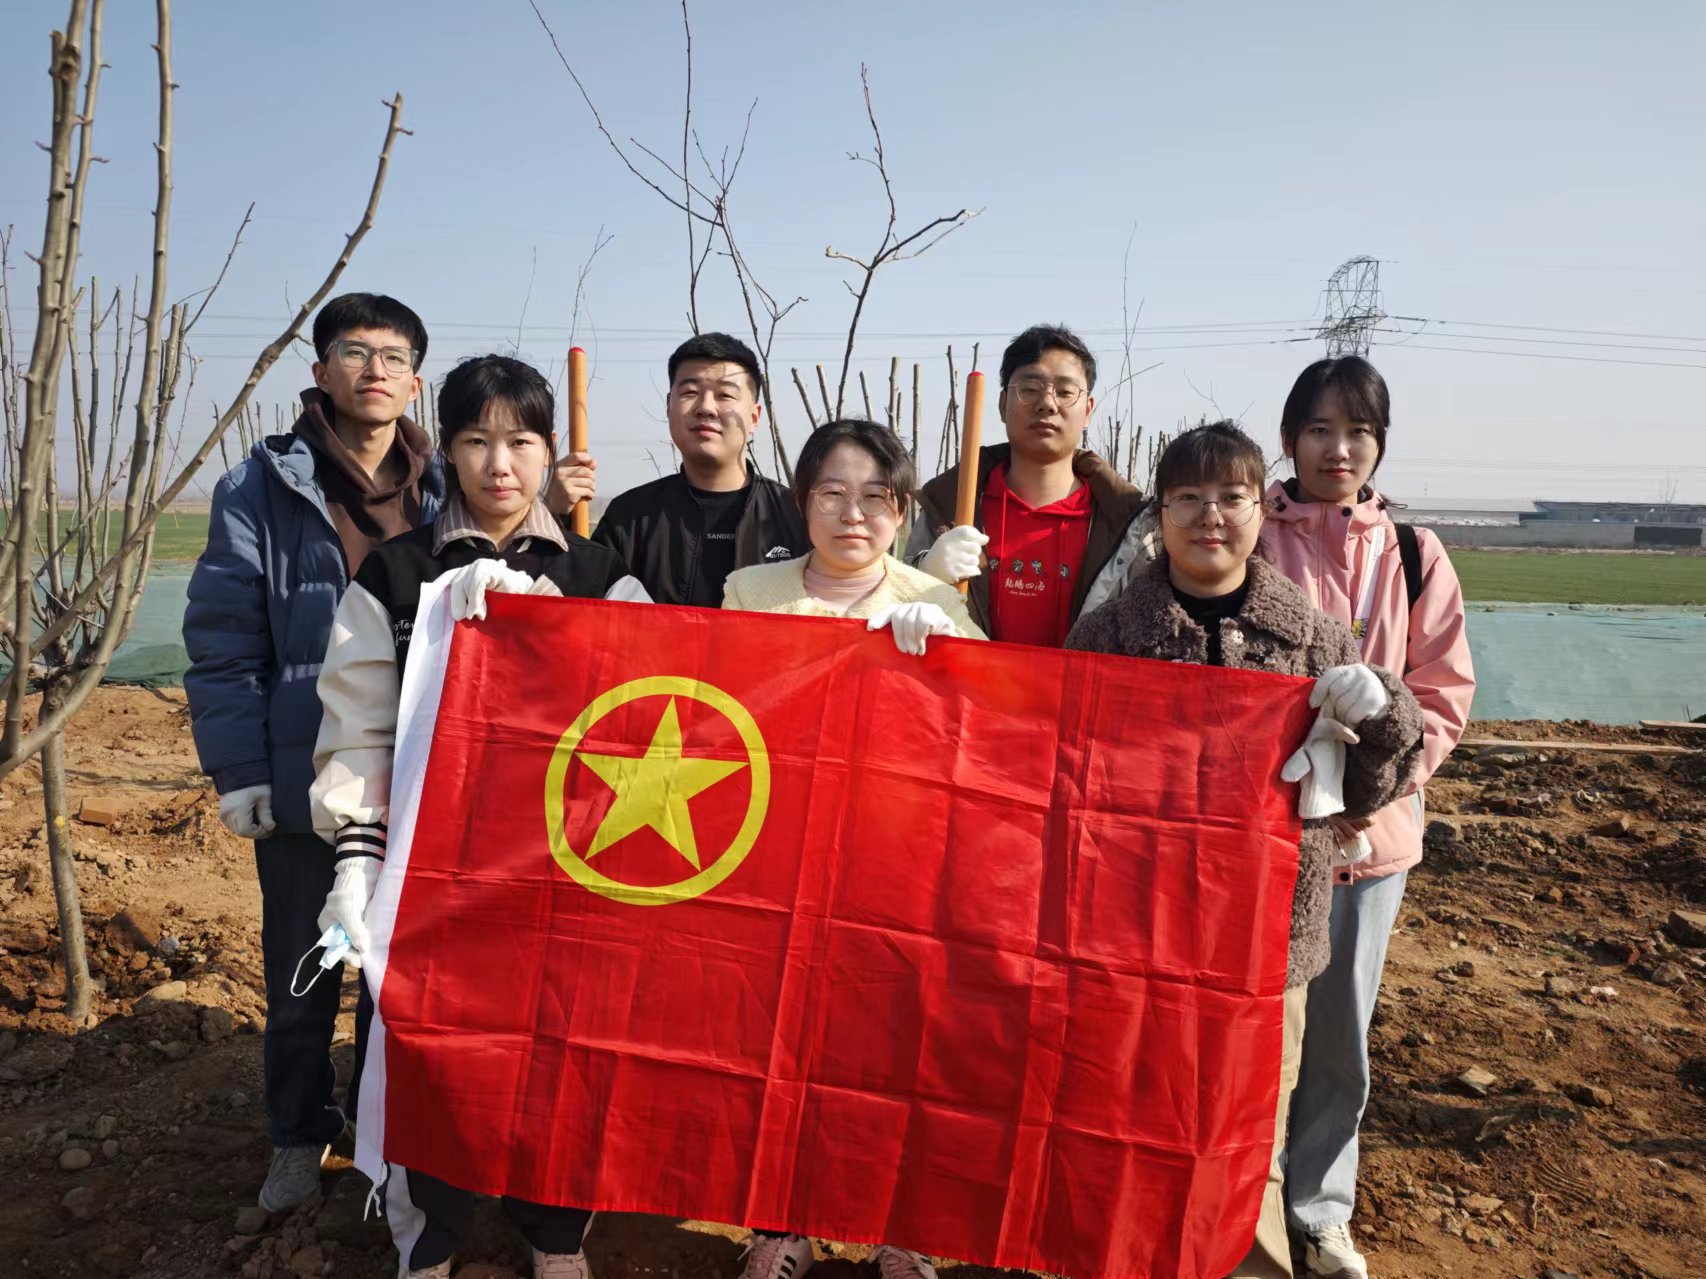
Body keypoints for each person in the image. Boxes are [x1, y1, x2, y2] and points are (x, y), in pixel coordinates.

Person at [311, 354, 647, 1279]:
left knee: (559, 1048)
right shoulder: (397, 573)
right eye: (476, 440)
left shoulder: (601, 577)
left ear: (550, 454)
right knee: (426, 1046)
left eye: (522, 441)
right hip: (428, 871)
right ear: (445, 453)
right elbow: (359, 723)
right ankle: (432, 1235)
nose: (500, 464)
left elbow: (650, 718)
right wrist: (355, 857)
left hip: (564, 873)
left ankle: (554, 1230)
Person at [1063, 421, 1424, 1279]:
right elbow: (1058, 771)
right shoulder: (1111, 636)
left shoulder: (1313, 639)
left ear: (1259, 509)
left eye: (1229, 496)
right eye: (1187, 497)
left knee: (1249, 1121)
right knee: (1130, 1109)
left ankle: (1248, 1264)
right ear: (1160, 512)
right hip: (1136, 934)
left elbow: (1373, 788)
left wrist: (1380, 713)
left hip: (1269, 938)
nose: (1209, 516)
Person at [183, 292, 443, 1213]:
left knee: (396, 978)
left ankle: (383, 1140)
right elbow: (223, 637)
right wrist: (242, 768)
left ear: (416, 380)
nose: (376, 367)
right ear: (320, 371)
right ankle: (298, 1133)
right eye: (355, 350)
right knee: (305, 966)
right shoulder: (260, 487)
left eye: (395, 354)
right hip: (304, 775)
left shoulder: (443, 487)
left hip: (417, 777)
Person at [721, 418, 983, 1279]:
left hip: (895, 861)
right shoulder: (749, 590)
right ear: (803, 503)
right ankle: (779, 1223)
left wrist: (948, 645)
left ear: (902, 511)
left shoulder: (932, 600)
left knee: (890, 1043)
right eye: (832, 493)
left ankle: (895, 1227)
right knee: (780, 1042)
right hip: (779, 853)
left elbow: (987, 726)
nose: (853, 514)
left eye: (876, 497)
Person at [1259, 358, 1475, 1279]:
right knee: (1260, 1032)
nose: (1336, 448)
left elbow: (1444, 691)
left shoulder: (1415, 553)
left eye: (1355, 431)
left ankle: (1319, 1208)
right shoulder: (1250, 531)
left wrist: (1374, 791)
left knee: (1342, 1035)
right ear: (1289, 439)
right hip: (1264, 836)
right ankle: (1251, 1203)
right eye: (1317, 429)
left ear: (1379, 443)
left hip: (1370, 845)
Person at [905, 324, 1156, 644]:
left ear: (1088, 410)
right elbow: (896, 604)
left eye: (1065, 392)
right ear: (1001, 404)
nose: (1047, 404)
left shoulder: (1125, 525)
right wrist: (926, 574)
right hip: (965, 693)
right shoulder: (949, 509)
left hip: (1080, 694)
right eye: (1030, 389)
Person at [591, 332, 810, 605]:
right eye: (690, 392)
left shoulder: (799, 517)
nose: (706, 407)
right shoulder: (629, 518)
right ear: (668, 406)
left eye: (725, 395)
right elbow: (588, 616)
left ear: (754, 417)